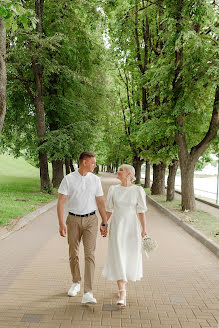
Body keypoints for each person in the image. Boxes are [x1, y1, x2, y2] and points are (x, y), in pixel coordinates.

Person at [57, 151, 108, 304]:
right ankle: (76, 282)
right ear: (84, 162)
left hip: (91, 220)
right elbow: (61, 202)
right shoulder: (69, 179)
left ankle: (88, 292)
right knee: (73, 252)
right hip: (72, 220)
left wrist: (104, 221)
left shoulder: (95, 180)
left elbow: (100, 202)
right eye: (93, 162)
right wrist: (61, 223)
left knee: (90, 255)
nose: (95, 165)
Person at [102, 164, 147, 307]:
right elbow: (109, 209)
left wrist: (144, 229)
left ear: (129, 174)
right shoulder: (113, 190)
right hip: (117, 227)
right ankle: (122, 292)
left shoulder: (138, 190)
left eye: (121, 169)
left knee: (129, 255)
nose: (118, 171)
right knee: (118, 255)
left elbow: (141, 211)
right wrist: (104, 223)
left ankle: (123, 283)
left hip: (132, 228)